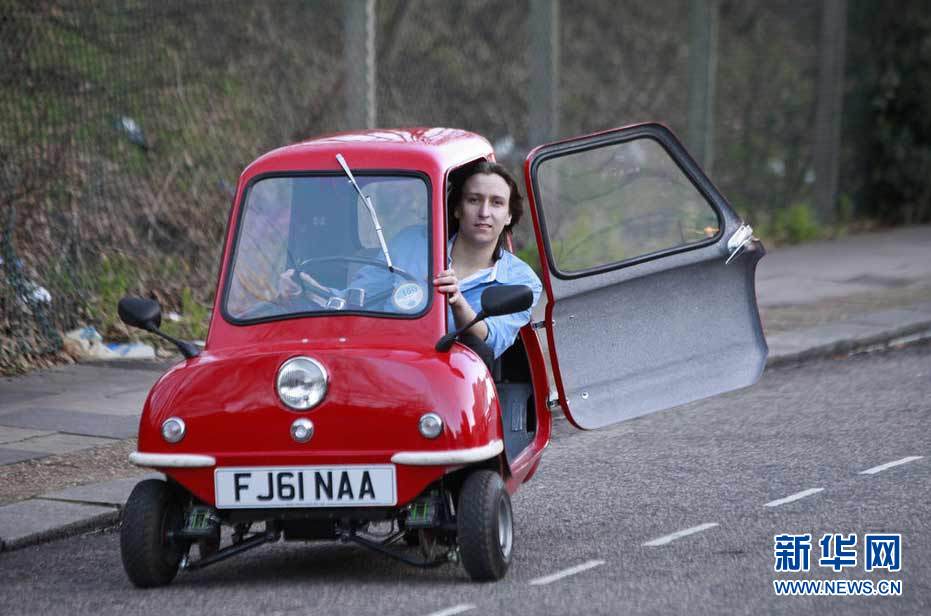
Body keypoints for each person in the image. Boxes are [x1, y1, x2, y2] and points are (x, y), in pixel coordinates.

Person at [434, 160, 542, 365]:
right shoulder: (413, 246)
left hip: (456, 377)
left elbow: (490, 341)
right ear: (457, 209)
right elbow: (363, 294)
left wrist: (457, 301)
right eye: (474, 200)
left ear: (509, 215)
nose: (484, 212)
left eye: (497, 203)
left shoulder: (522, 281)